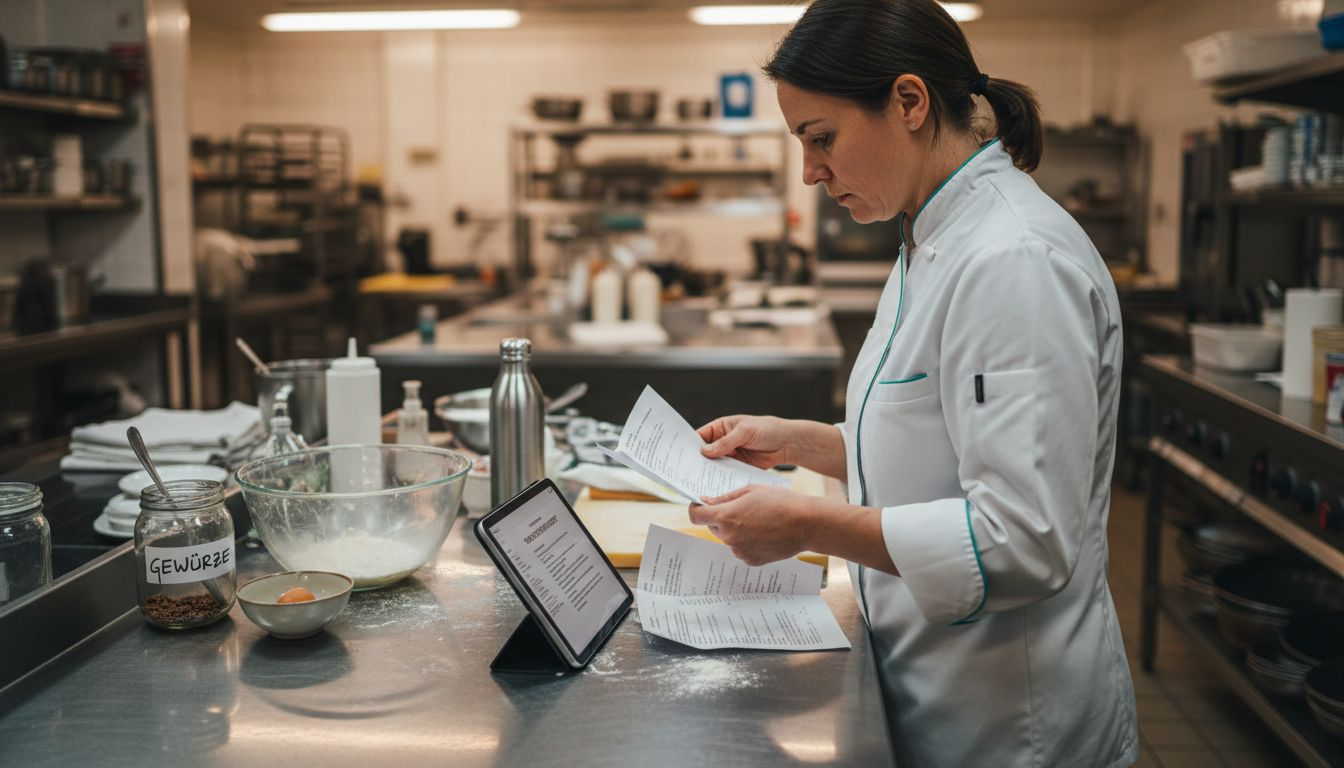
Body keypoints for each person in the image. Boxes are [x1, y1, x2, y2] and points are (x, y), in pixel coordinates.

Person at [689, 1, 1138, 766]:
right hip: (935, 688)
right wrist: (800, 443)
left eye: (821, 138)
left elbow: (1021, 540)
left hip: (1010, 724)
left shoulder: (1012, 261)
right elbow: (937, 443)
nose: (811, 172)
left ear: (908, 101)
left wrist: (805, 526)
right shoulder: (928, 235)